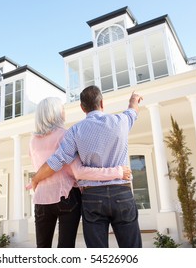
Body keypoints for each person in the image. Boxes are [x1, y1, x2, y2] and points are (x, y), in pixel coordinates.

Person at [31, 86, 143, 248]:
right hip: (121, 192)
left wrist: (36, 178)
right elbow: (133, 110)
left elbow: (57, 160)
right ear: (102, 103)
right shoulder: (122, 121)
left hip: (92, 197)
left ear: (82, 108)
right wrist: (134, 99)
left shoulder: (75, 131)